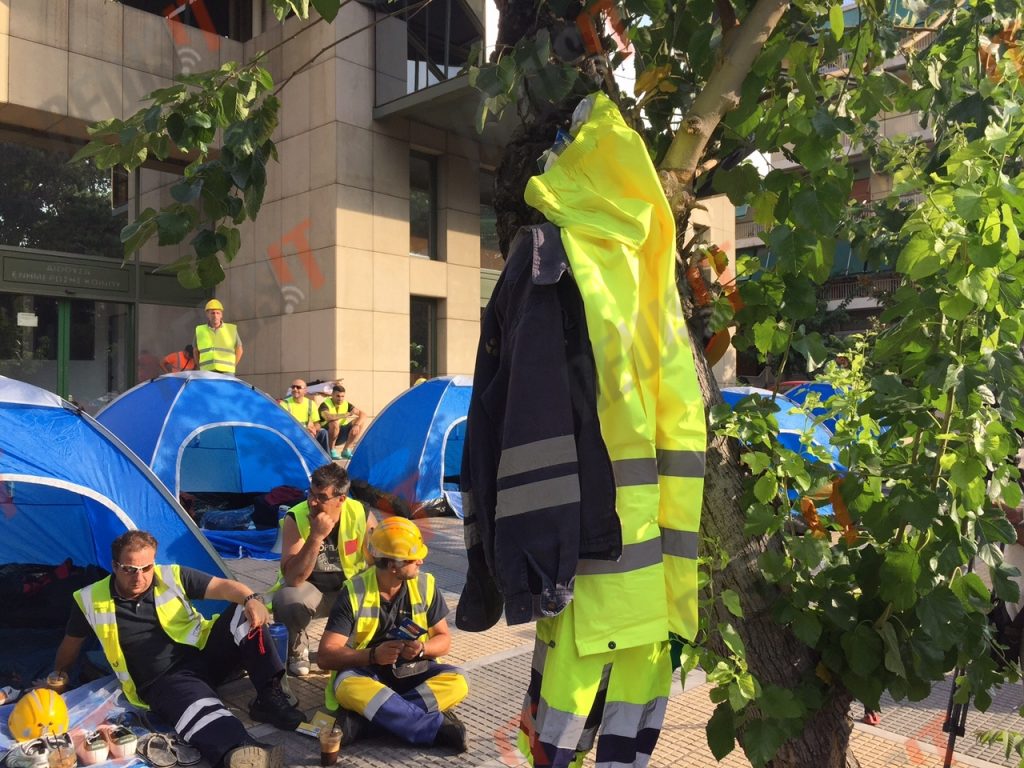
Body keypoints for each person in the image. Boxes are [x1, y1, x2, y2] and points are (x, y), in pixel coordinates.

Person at [52, 531, 303, 768]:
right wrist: (58, 676)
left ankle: (269, 698)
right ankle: (241, 749)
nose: (139, 577)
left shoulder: (171, 576)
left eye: (146, 568)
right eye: (129, 569)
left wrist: (252, 600)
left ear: (153, 563)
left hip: (204, 654)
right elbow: (70, 645)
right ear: (115, 566)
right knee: (201, 708)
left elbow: (226, 588)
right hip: (164, 678)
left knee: (244, 613)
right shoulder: (90, 599)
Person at [317, 516, 469, 752]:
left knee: (460, 681)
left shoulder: (425, 585)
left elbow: (443, 639)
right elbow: (326, 656)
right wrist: (373, 656)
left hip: (412, 672)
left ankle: (367, 724)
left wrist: (422, 649)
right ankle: (433, 728)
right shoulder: (354, 592)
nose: (421, 560)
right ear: (392, 565)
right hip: (367, 675)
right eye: (413, 557)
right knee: (347, 686)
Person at [271, 464, 376, 677]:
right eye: (310, 493)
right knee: (287, 598)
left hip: (348, 590)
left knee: (380, 588)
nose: (312, 501)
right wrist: (316, 536)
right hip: (312, 591)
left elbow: (377, 562)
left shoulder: (360, 513)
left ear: (341, 499)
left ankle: (353, 643)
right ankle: (296, 648)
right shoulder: (296, 517)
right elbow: (292, 578)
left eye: (321, 497)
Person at [194, 299, 242, 374]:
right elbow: (195, 351)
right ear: (207, 315)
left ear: (221, 315)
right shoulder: (200, 330)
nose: (215, 316)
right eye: (212, 313)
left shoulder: (231, 329)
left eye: (218, 313)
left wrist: (233, 365)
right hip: (207, 371)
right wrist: (200, 367)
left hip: (227, 372)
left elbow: (239, 349)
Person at [316, 384, 363, 460]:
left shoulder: (346, 404)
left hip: (340, 434)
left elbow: (363, 414)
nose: (340, 398)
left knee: (359, 422)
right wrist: (344, 415)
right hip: (326, 436)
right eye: (338, 396)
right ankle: (331, 450)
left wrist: (357, 425)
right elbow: (328, 417)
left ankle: (346, 450)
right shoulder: (325, 405)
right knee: (334, 422)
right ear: (332, 395)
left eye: (342, 396)